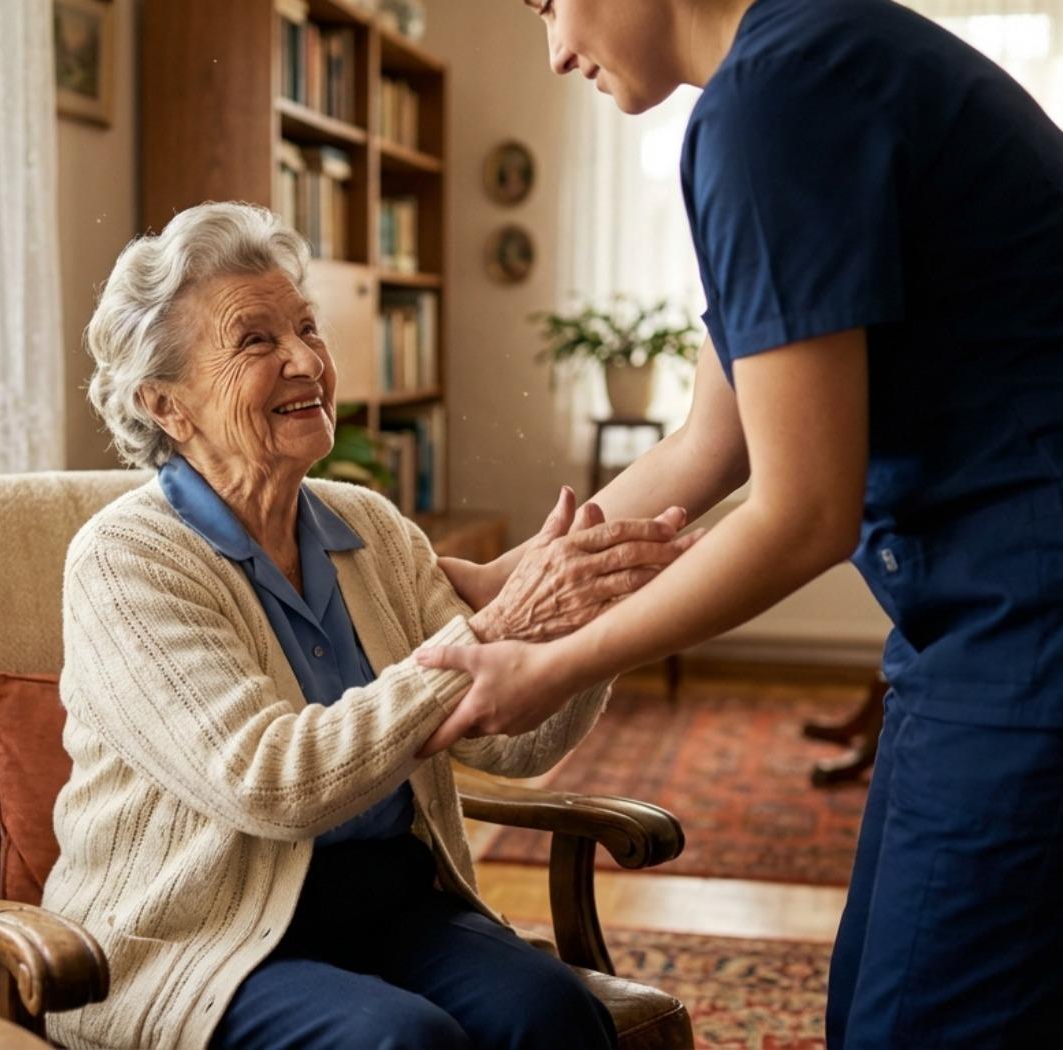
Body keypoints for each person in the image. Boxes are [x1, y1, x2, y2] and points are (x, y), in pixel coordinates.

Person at [424, 2, 1063, 1046]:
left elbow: (801, 514)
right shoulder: (785, 72)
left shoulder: (772, 103)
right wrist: (508, 580)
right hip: (1014, 604)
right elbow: (705, 448)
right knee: (876, 1001)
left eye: (549, 3)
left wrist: (555, 663)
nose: (553, 53)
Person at [42, 201, 700, 1050]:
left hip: (389, 901)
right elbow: (268, 781)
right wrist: (497, 624)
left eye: (307, 327)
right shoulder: (126, 561)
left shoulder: (371, 526)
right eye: (256, 341)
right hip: (197, 937)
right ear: (167, 404)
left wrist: (585, 619)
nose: (305, 360)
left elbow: (508, 746)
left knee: (554, 1015)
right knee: (397, 1043)